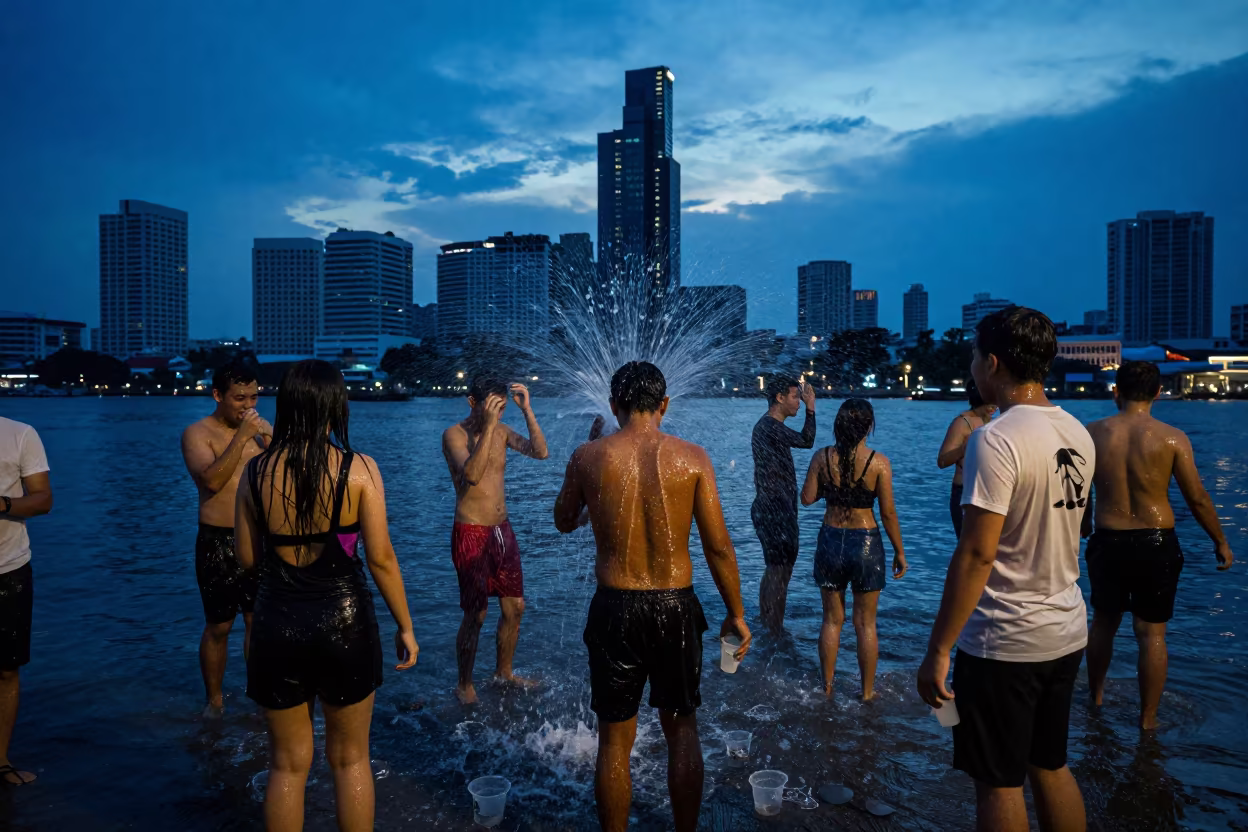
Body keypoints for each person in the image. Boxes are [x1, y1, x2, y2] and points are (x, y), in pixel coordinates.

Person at [554, 361, 751, 832]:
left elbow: (563, 519)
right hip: (675, 608)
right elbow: (719, 546)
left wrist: (587, 452)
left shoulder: (589, 455)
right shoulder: (695, 458)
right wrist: (737, 613)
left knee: (613, 742)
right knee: (682, 730)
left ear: (613, 405)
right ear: (664, 405)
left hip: (615, 608)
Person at [918, 306, 1093, 832]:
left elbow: (977, 554)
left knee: (999, 781)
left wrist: (939, 649)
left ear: (992, 363)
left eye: (973, 357)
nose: (972, 368)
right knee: (1051, 764)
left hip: (1005, 639)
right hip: (1066, 630)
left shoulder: (994, 438)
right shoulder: (1077, 431)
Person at [234, 359, 418, 832]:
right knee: (351, 760)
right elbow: (381, 559)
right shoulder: (360, 470)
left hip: (277, 623)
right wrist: (405, 625)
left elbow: (248, 560)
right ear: (336, 407)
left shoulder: (255, 473)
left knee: (287, 766)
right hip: (345, 623)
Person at [1085, 360, 1234, 730]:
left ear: (1114, 390)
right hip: (1155, 541)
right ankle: (1148, 721)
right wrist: (1220, 541)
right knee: (1151, 632)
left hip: (1108, 538)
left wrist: (1081, 529)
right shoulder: (1172, 437)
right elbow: (1196, 497)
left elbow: (1078, 492)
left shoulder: (1091, 434)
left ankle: (1095, 699)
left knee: (1104, 622)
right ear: (1157, 392)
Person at [442, 376, 548, 705]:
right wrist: (488, 426)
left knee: (515, 607)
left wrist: (527, 410)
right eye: (492, 407)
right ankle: (464, 684)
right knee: (476, 613)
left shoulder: (502, 431)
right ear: (472, 402)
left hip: (502, 531)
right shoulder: (453, 435)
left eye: (501, 408)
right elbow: (471, 476)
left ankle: (504, 673)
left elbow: (540, 452)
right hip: (471, 531)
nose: (498, 415)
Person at [180, 360, 271, 716]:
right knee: (219, 625)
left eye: (253, 396)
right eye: (239, 398)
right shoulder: (197, 433)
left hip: (259, 537)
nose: (248, 405)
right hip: (217, 539)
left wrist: (268, 436)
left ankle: (259, 695)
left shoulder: (262, 430)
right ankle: (214, 701)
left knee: (256, 621)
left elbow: (291, 467)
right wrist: (242, 438)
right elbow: (212, 481)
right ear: (217, 395)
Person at [800, 399, 906, 700]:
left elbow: (806, 498)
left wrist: (828, 487)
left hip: (831, 539)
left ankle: (828, 689)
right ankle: (867, 693)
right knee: (865, 622)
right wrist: (899, 551)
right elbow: (888, 514)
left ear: (839, 424)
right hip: (866, 543)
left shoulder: (822, 458)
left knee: (832, 620)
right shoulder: (879, 462)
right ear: (867, 427)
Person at [0, 416, 52, 786]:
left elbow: (43, 500)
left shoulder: (20, 434)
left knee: (6, 668)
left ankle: (0, 761)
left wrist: (2, 503)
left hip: (9, 567)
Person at [750, 375, 816, 631]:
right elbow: (806, 440)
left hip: (776, 508)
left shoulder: (769, 428)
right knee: (778, 571)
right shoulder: (769, 426)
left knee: (778, 570)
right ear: (779, 398)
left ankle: (770, 625)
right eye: (795, 397)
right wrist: (811, 409)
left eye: (801, 398)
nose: (799, 402)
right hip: (774, 509)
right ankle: (773, 628)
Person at [936, 380, 997, 538]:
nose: (994, 408)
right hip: (965, 493)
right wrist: (965, 448)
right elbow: (942, 461)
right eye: (990, 405)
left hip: (989, 492)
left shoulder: (993, 422)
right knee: (967, 547)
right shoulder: (962, 423)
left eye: (995, 404)